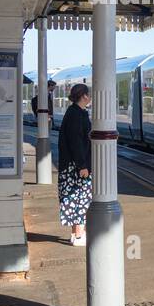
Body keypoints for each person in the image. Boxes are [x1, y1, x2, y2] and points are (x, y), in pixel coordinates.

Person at [57, 83, 93, 246]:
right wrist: (82, 165)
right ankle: (79, 236)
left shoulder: (75, 112)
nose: (90, 97)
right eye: (89, 94)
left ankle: (75, 234)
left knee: (74, 198)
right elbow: (76, 142)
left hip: (72, 166)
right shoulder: (76, 115)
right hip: (76, 167)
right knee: (81, 198)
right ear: (84, 96)